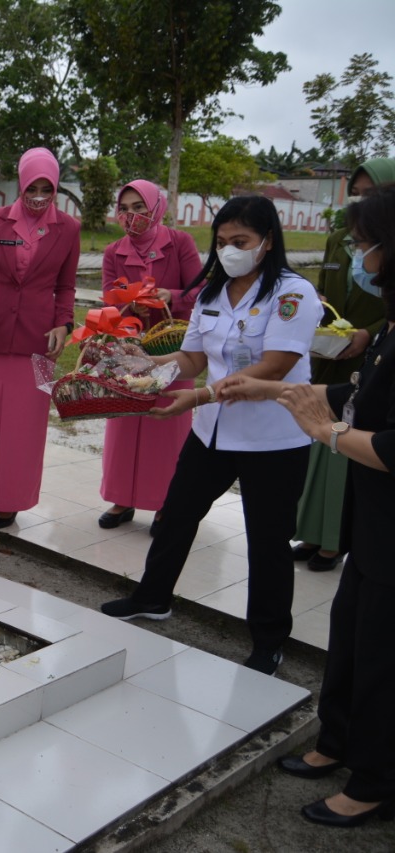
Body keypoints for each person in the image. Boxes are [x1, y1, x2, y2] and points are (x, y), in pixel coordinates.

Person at [217, 185, 395, 828]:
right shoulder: (391, 318)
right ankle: (338, 741)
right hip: (372, 518)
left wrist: (329, 432)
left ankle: (375, 780)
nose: (357, 255)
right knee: (349, 633)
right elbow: (365, 383)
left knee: (382, 652)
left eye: (364, 243)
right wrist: (295, 391)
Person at [101, 196, 323, 676]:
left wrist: (197, 398)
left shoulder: (292, 294)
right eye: (221, 242)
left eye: (240, 242)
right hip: (212, 434)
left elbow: (274, 367)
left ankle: (268, 638)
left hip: (272, 440)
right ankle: (152, 597)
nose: (229, 251)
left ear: (267, 242)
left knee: (267, 541)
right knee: (177, 515)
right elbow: (194, 359)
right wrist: (141, 363)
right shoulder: (210, 294)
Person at [0, 147, 79, 529]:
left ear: (56, 187)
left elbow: (67, 285)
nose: (39, 195)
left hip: (40, 341)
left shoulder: (69, 228)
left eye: (47, 188)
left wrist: (64, 324)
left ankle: (10, 499)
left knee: (25, 427)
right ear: (21, 184)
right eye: (33, 187)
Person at [290, 158, 393, 571]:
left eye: (374, 196)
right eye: (359, 195)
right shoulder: (339, 241)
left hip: (370, 363)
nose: (360, 254)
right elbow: (323, 294)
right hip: (331, 361)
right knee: (319, 457)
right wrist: (319, 330)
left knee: (345, 449)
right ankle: (314, 533)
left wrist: (367, 334)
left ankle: (334, 541)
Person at [97, 180, 202, 532]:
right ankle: (121, 498)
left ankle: (164, 503)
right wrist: (130, 304)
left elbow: (199, 289)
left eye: (138, 207)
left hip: (172, 348)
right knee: (125, 421)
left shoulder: (179, 242)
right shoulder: (114, 251)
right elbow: (109, 297)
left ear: (156, 207)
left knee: (166, 423)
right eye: (124, 208)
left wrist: (169, 297)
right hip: (130, 345)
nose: (131, 216)